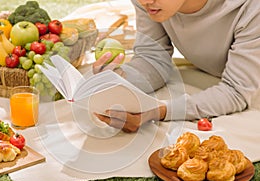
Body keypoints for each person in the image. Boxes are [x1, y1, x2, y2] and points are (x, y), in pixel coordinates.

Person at [92, 0, 260, 133]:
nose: (143, 1)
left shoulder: (252, 8)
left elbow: (236, 91)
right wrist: (121, 78)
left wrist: (159, 111)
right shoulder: (150, 4)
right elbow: (153, 58)